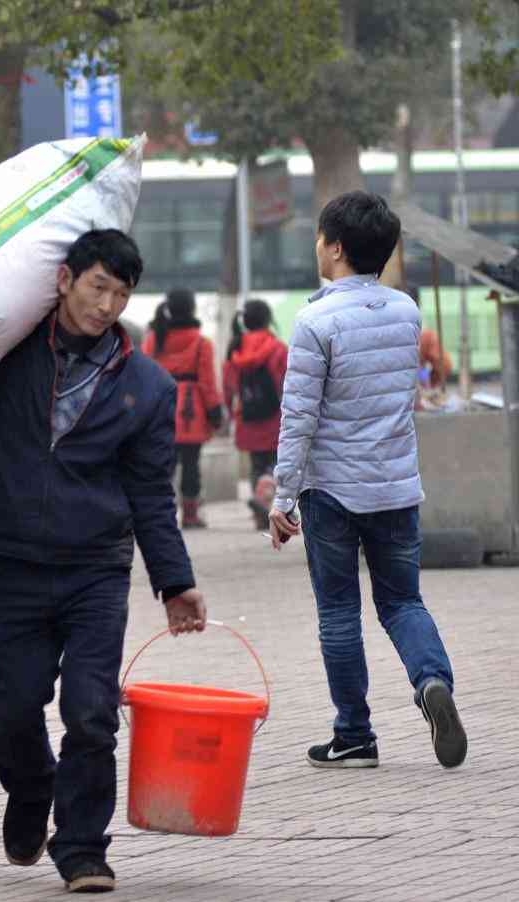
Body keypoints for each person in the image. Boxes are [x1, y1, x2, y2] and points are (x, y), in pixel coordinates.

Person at [0, 229, 207, 894]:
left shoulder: (145, 386)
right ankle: (32, 791)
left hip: (96, 572)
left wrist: (176, 582)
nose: (107, 304)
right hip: (15, 569)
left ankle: (83, 845)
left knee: (91, 712)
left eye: (120, 293)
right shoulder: (4, 352)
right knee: (11, 709)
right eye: (96, 286)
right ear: (64, 279)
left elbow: (150, 495)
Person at [269, 191, 467, 772]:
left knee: (338, 612)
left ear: (334, 248)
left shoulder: (313, 321)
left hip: (331, 491)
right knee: (403, 600)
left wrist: (283, 495)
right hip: (397, 486)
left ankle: (354, 735)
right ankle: (432, 681)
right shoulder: (407, 311)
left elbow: (299, 415)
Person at [141, 288, 222, 528]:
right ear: (191, 309)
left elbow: (143, 378)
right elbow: (207, 383)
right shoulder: (201, 343)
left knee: (162, 467)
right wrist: (215, 412)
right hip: (191, 413)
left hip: (159, 410)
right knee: (190, 465)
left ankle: (160, 513)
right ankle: (190, 514)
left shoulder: (153, 340)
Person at [222, 299, 288, 531]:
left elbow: (228, 387)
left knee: (256, 464)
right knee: (276, 463)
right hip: (275, 417)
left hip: (247, 417)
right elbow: (287, 383)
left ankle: (260, 513)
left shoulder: (235, 349)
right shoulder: (278, 348)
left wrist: (231, 414)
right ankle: (268, 498)